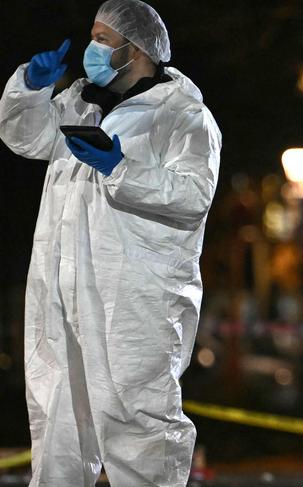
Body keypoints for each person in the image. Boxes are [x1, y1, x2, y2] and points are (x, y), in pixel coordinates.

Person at [0, 0, 221, 485]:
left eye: (103, 38)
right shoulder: (80, 102)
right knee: (57, 422)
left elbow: (192, 194)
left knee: (137, 424)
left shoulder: (184, 116)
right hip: (61, 290)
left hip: (135, 301)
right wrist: (31, 89)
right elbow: (25, 138)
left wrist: (119, 168)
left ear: (136, 48)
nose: (92, 49)